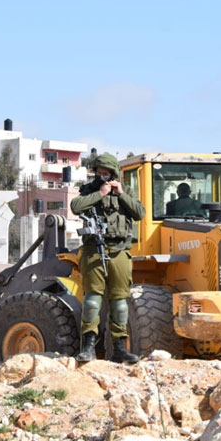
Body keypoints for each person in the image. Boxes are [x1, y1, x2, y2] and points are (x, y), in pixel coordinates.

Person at [70, 153, 145, 364]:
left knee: (120, 301)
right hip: (94, 249)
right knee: (92, 300)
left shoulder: (126, 192)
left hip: (120, 250)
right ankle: (88, 348)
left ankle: (120, 348)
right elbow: (76, 207)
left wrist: (120, 194)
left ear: (114, 173)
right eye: (99, 172)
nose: (103, 176)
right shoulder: (90, 190)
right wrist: (100, 194)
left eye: (107, 173)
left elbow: (140, 213)